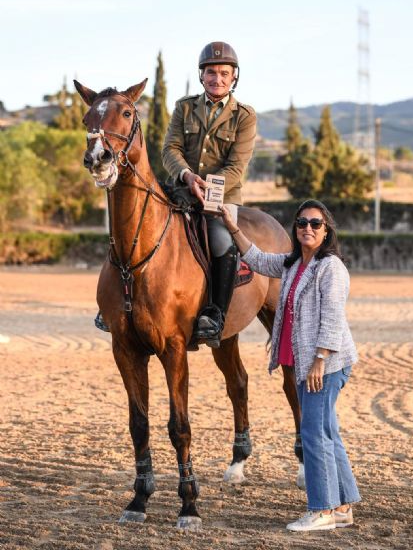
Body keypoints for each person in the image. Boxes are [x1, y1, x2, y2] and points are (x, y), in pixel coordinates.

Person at [220, 199, 361, 532]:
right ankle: (342, 506)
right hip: (308, 362)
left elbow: (332, 319)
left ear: (327, 232)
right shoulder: (293, 264)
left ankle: (321, 510)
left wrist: (318, 362)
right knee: (327, 432)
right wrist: (232, 226)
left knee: (313, 434)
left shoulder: (331, 268)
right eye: (301, 223)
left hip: (325, 364)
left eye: (315, 224)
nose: (307, 229)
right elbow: (255, 258)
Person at [161, 41, 257, 348]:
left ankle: (215, 314)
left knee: (219, 237)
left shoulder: (244, 116)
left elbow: (237, 165)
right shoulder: (184, 107)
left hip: (223, 192)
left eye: (224, 73)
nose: (217, 79)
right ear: (202, 76)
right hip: (183, 185)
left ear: (234, 78)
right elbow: (170, 149)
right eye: (211, 73)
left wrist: (207, 186)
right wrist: (187, 176)